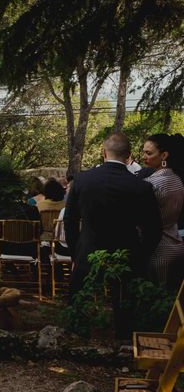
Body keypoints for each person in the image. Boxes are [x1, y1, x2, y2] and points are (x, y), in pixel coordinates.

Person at [64, 133, 162, 337]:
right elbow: (154, 229)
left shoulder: (82, 181)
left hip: (88, 249)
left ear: (104, 153)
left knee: (79, 298)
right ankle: (125, 339)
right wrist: (141, 255)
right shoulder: (141, 187)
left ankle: (75, 335)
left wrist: (75, 252)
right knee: (125, 303)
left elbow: (70, 221)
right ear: (129, 155)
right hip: (127, 252)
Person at [141, 134, 184, 289]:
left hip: (158, 251)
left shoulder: (150, 184)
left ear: (164, 155)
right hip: (176, 244)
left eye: (149, 153)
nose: (143, 157)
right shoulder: (177, 180)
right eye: (143, 152)